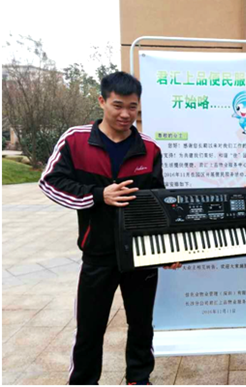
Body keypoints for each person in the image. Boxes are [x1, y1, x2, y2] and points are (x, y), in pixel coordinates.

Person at [39, 72, 180, 385]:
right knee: (90, 328)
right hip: (98, 254)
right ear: (102, 101)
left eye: (132, 107)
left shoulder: (149, 149)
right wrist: (97, 195)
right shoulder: (75, 140)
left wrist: (167, 248)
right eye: (118, 105)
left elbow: (158, 203)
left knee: (141, 325)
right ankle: (84, 381)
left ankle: (138, 378)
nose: (125, 114)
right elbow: (50, 182)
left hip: (141, 255)